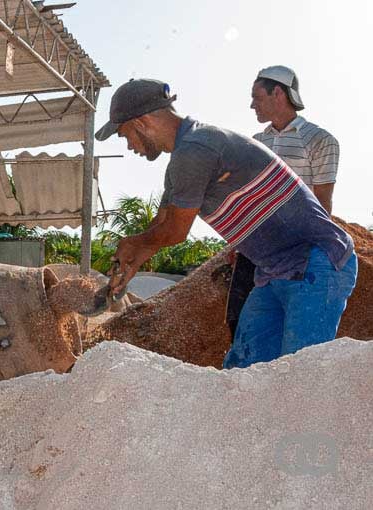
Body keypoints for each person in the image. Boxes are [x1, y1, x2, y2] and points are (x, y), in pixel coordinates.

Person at [95, 78, 357, 369]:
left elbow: (175, 232)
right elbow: (161, 224)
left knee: (299, 375)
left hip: (316, 262)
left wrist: (133, 243)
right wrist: (129, 266)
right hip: (275, 271)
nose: (129, 145)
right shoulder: (183, 158)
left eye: (124, 134)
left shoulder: (196, 150)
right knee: (242, 372)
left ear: (142, 122)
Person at [227, 66, 341, 336]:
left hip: (297, 249)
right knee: (238, 319)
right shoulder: (255, 143)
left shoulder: (320, 140)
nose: (251, 104)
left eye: (256, 96)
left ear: (277, 92)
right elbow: (248, 198)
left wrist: (317, 251)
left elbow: (323, 200)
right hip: (256, 246)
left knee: (291, 324)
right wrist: (236, 240)